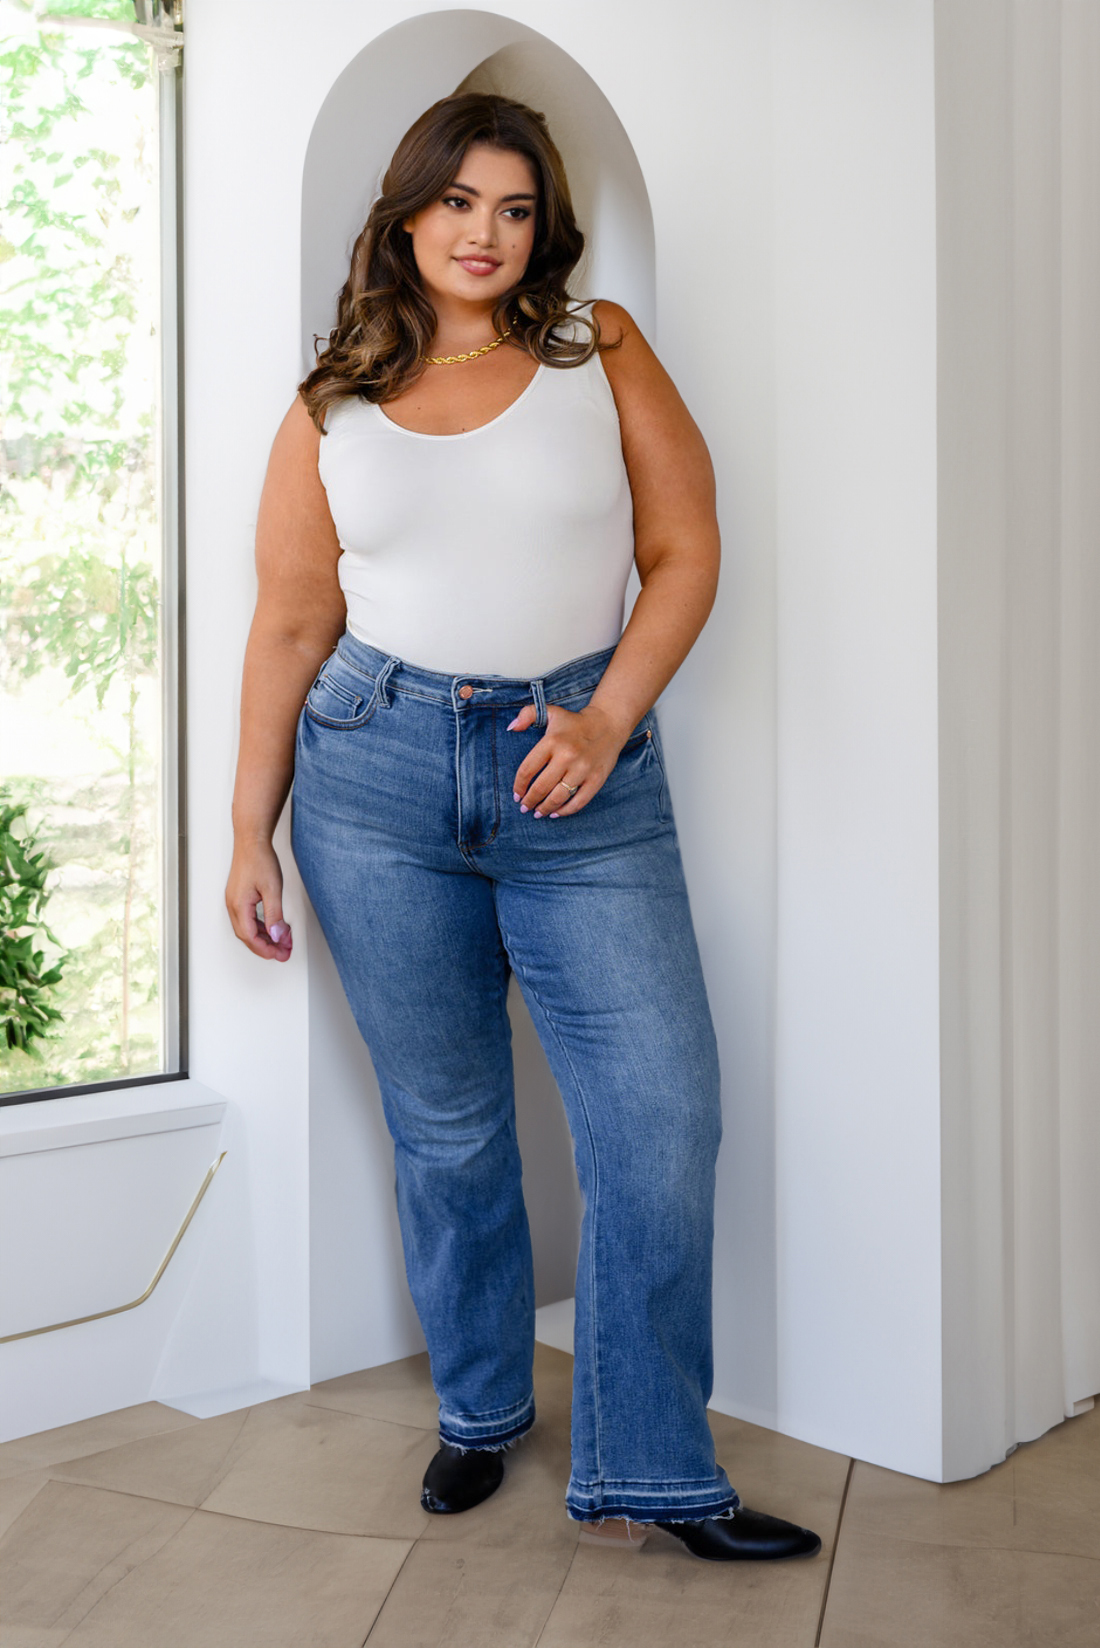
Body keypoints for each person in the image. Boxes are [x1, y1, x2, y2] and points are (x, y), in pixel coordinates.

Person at [226, 91, 820, 1563]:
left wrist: (605, 720)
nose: (483, 232)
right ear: (406, 213)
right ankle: (482, 1409)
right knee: (447, 1126)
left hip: (579, 779)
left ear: (542, 226)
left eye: (513, 208)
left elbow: (686, 547)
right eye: (457, 202)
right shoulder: (330, 405)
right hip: (372, 779)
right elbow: (292, 624)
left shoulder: (593, 347)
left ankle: (654, 1468)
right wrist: (250, 833)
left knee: (661, 1118)